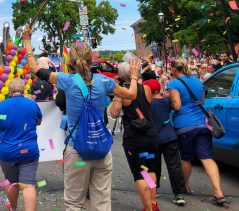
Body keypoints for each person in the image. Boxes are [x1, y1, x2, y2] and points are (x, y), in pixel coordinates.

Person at [24, 25, 140, 211]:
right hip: (101, 150)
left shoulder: (67, 80)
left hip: (77, 151)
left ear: (70, 61)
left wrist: (27, 40)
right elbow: (132, 94)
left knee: (74, 203)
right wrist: (133, 76)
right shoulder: (105, 81)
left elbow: (33, 68)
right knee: (102, 203)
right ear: (91, 59)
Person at [167, 59, 226, 206]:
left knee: (185, 158)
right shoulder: (198, 81)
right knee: (207, 157)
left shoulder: (174, 84)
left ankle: (185, 186)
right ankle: (218, 192)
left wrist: (169, 99)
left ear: (174, 69)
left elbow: (176, 106)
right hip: (203, 124)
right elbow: (202, 101)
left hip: (184, 126)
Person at [111, 63, 159, 211]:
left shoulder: (121, 91)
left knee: (140, 173)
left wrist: (117, 97)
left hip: (134, 137)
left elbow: (114, 113)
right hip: (150, 134)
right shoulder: (146, 89)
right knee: (150, 169)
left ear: (121, 75)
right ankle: (153, 203)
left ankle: (148, 208)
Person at [0, 79, 42, 211]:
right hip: (29, 151)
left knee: (12, 183)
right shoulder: (32, 104)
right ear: (24, 90)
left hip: (8, 152)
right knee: (28, 185)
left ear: (9, 91)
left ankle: (13, 208)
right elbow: (38, 121)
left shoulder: (2, 106)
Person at [144, 79, 186, 205]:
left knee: (150, 166)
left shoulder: (148, 104)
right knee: (174, 165)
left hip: (152, 139)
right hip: (169, 137)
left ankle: (153, 189)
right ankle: (179, 194)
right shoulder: (167, 101)